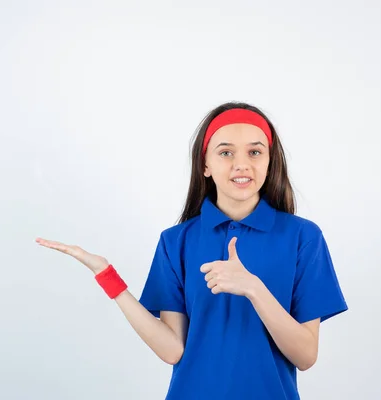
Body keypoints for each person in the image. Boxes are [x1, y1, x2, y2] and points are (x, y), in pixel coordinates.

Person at [35, 101, 348, 400]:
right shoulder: (176, 241)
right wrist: (107, 276)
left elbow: (306, 356)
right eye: (226, 152)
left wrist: (254, 288)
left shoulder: (303, 237)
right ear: (206, 165)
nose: (242, 164)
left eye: (255, 151)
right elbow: (172, 350)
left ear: (269, 161)